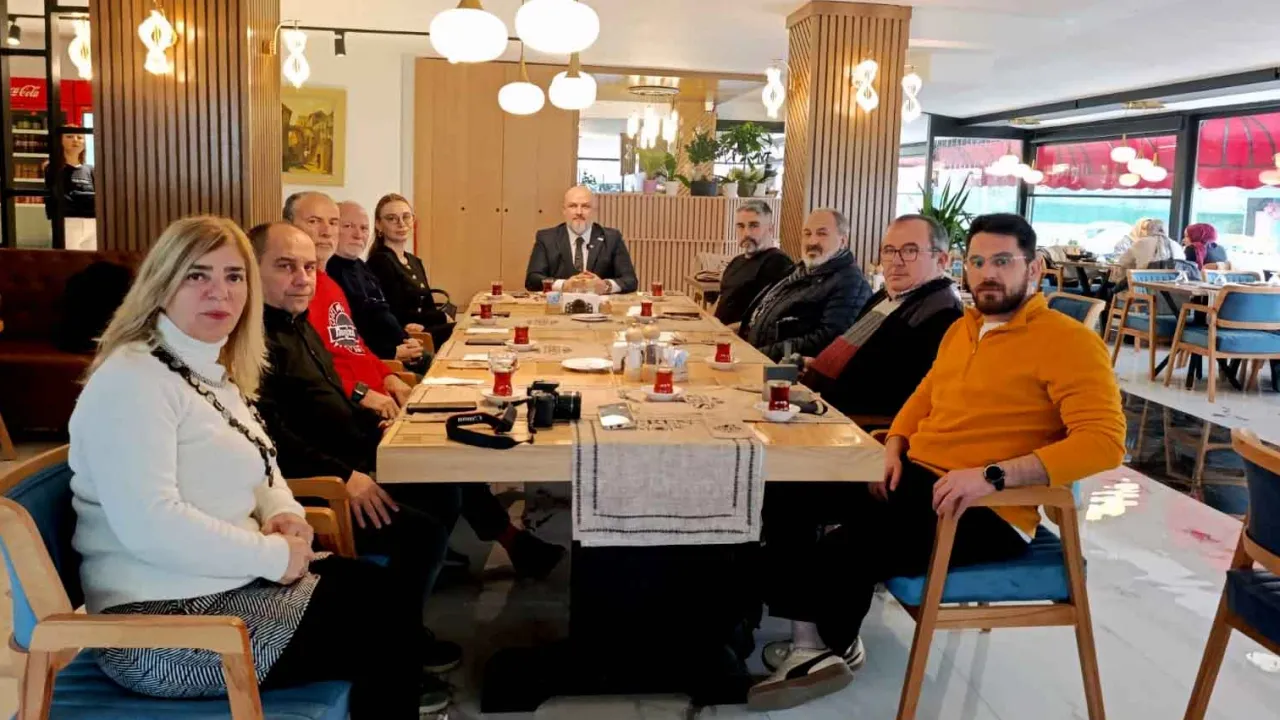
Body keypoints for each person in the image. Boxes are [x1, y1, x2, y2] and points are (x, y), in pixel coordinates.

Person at [68, 215, 446, 717]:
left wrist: (283, 511)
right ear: (160, 283)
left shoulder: (208, 368)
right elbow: (149, 523)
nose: (219, 292)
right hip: (163, 625)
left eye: (233, 276)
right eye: (197, 275)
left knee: (385, 595)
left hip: (223, 583)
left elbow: (264, 461)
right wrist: (271, 556)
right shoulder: (132, 380)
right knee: (384, 627)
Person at [749, 213, 1126, 711]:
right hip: (920, 477)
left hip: (987, 508)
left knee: (849, 542)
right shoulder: (965, 329)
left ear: (1033, 268)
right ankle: (816, 640)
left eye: (1002, 261)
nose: (988, 273)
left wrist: (993, 476)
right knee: (790, 492)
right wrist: (895, 441)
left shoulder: (1068, 342)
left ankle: (820, 648)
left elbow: (1104, 442)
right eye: (978, 262)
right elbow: (925, 396)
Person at [252, 221, 565, 582]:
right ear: (252, 270)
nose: (303, 278)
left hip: (359, 444)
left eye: (308, 267)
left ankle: (448, 563)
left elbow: (346, 366)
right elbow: (275, 440)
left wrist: (379, 410)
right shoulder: (258, 343)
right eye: (285, 266)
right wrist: (348, 475)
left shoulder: (300, 321)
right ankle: (418, 584)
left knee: (445, 465)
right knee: (429, 520)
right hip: (332, 480)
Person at [799, 214, 963, 422]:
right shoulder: (885, 298)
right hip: (822, 406)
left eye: (910, 251)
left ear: (941, 260)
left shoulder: (944, 313)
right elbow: (861, 363)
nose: (896, 261)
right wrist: (815, 367)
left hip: (853, 425)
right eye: (889, 250)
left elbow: (898, 397)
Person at [283, 191, 428, 374]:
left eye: (333, 223)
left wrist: (389, 370)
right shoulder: (294, 287)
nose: (326, 232)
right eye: (314, 221)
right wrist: (390, 355)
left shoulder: (338, 280)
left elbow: (355, 343)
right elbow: (329, 360)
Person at [736, 208, 872, 361]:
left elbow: (827, 340)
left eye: (822, 234)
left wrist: (759, 354)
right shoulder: (797, 271)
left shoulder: (850, 283)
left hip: (784, 369)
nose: (812, 242)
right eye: (807, 234)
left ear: (843, 241)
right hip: (755, 358)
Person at [326, 200, 427, 368]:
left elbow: (383, 313)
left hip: (403, 351)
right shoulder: (329, 273)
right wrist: (391, 352)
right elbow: (348, 336)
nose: (358, 235)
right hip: (379, 363)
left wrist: (407, 338)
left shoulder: (361, 266)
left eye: (364, 228)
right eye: (348, 226)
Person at [365, 193, 454, 350]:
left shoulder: (414, 261)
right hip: (406, 339)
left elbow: (429, 307)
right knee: (463, 332)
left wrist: (435, 318)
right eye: (392, 219)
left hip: (424, 330)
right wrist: (441, 317)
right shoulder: (380, 261)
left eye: (406, 217)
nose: (401, 224)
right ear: (379, 225)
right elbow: (395, 314)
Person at [524, 185, 638, 294]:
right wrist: (563, 285)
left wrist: (605, 286)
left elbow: (630, 280)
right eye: (573, 206)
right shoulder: (547, 238)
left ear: (594, 210)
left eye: (585, 206)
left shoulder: (612, 238)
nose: (579, 212)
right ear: (564, 210)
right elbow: (532, 280)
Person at [714, 200, 794, 326]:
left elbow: (767, 318)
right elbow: (720, 301)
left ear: (770, 229)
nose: (746, 233)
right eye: (741, 226)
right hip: (717, 332)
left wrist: (723, 332)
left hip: (739, 336)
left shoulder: (778, 263)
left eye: (754, 225)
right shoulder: (736, 261)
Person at [44, 129, 96, 250]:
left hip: (92, 223)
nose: (75, 140)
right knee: (69, 258)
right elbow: (60, 197)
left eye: (80, 137)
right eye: (69, 136)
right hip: (68, 222)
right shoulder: (53, 168)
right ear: (59, 141)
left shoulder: (90, 169)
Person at [1110, 217, 1181, 282]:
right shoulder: (1177, 245)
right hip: (1172, 289)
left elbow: (1122, 262)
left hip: (1144, 287)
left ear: (1149, 229)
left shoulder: (1141, 243)